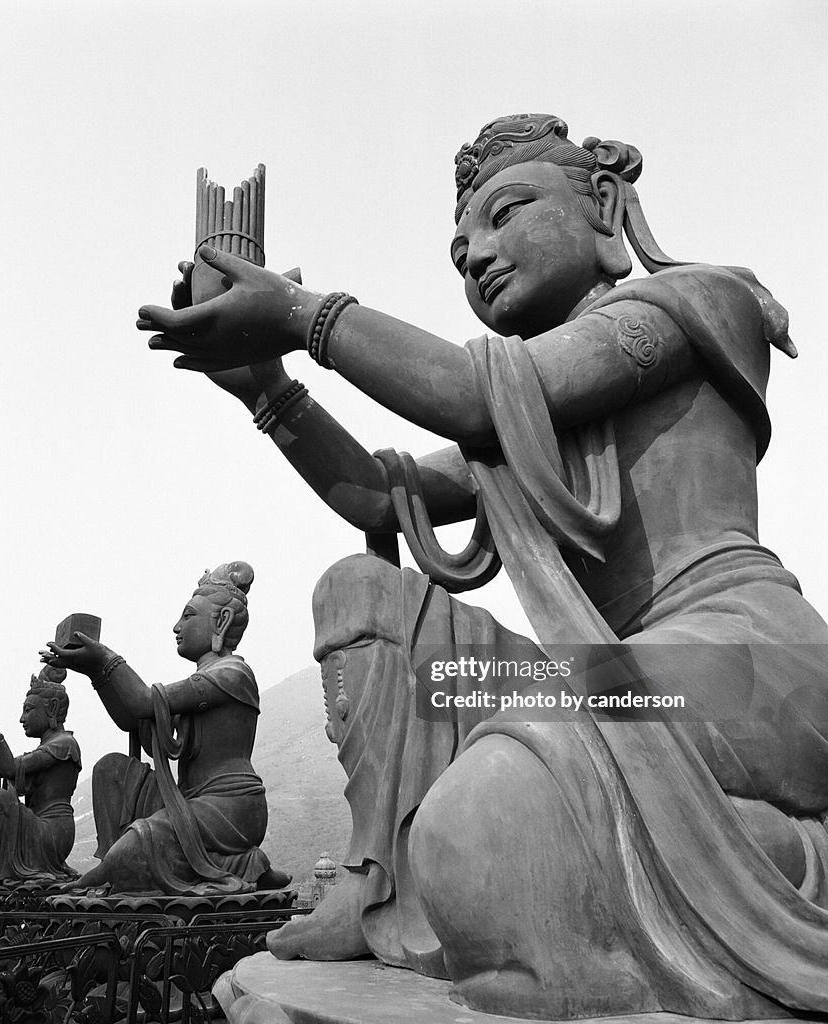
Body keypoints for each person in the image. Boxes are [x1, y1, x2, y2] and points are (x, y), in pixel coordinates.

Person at [135, 114, 828, 1017]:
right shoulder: (527, 412)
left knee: (487, 820)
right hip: (611, 673)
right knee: (358, 589)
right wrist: (270, 389)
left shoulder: (688, 310)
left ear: (605, 206)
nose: (479, 256)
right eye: (461, 251)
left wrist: (308, 318)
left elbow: (475, 392)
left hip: (742, 654)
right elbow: (383, 501)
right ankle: (377, 877)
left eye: (505, 215)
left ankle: (763, 861)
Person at [42, 562, 288, 895]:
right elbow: (134, 719)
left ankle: (112, 871)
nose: (176, 627)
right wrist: (94, 674)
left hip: (229, 808)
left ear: (222, 621)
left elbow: (144, 701)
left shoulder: (232, 675)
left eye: (188, 617)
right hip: (189, 800)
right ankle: (112, 866)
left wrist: (105, 659)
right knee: (112, 770)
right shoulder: (201, 681)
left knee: (136, 848)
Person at [0, 668, 81, 886]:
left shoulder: (64, 744)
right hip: (30, 827)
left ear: (53, 709)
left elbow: (9, 768)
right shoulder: (44, 748)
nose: (22, 718)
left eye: (29, 710)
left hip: (51, 833)